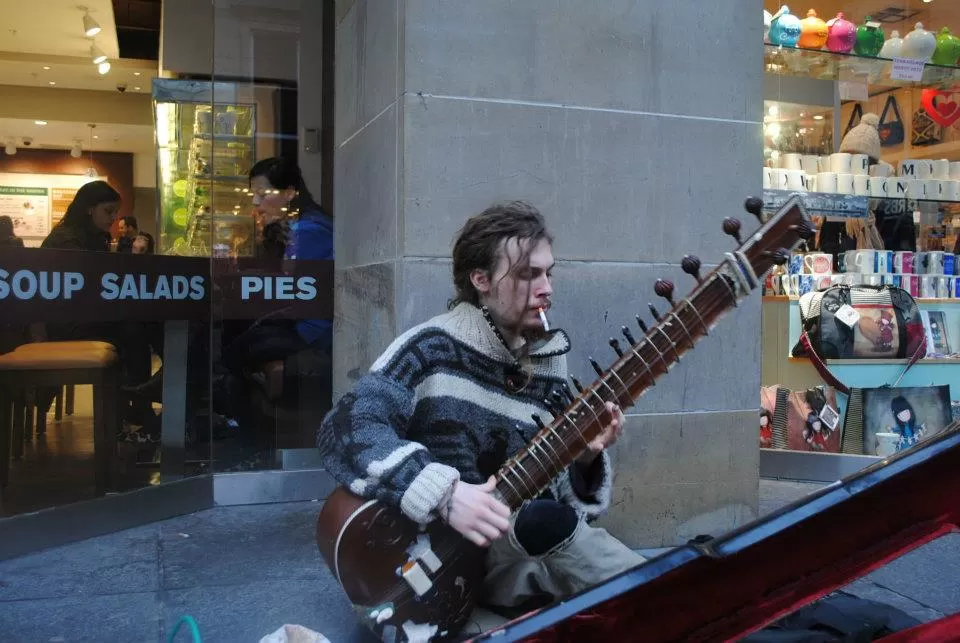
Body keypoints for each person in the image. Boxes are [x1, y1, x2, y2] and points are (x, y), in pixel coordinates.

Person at [317, 201, 644, 635]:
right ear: (481, 280)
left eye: (549, 273)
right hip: (425, 571)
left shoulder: (549, 367)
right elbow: (347, 428)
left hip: (509, 559)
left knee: (553, 529)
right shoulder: (430, 348)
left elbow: (562, 514)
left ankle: (697, 597)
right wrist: (446, 494)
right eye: (528, 275)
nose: (547, 289)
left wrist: (583, 461)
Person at [41, 181, 156, 435]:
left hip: (78, 317)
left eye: (115, 212)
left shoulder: (86, 238)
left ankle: (139, 400)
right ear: (88, 209)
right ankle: (140, 401)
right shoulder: (67, 242)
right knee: (133, 330)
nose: (114, 218)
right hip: (65, 325)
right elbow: (83, 292)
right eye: (109, 211)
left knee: (136, 327)